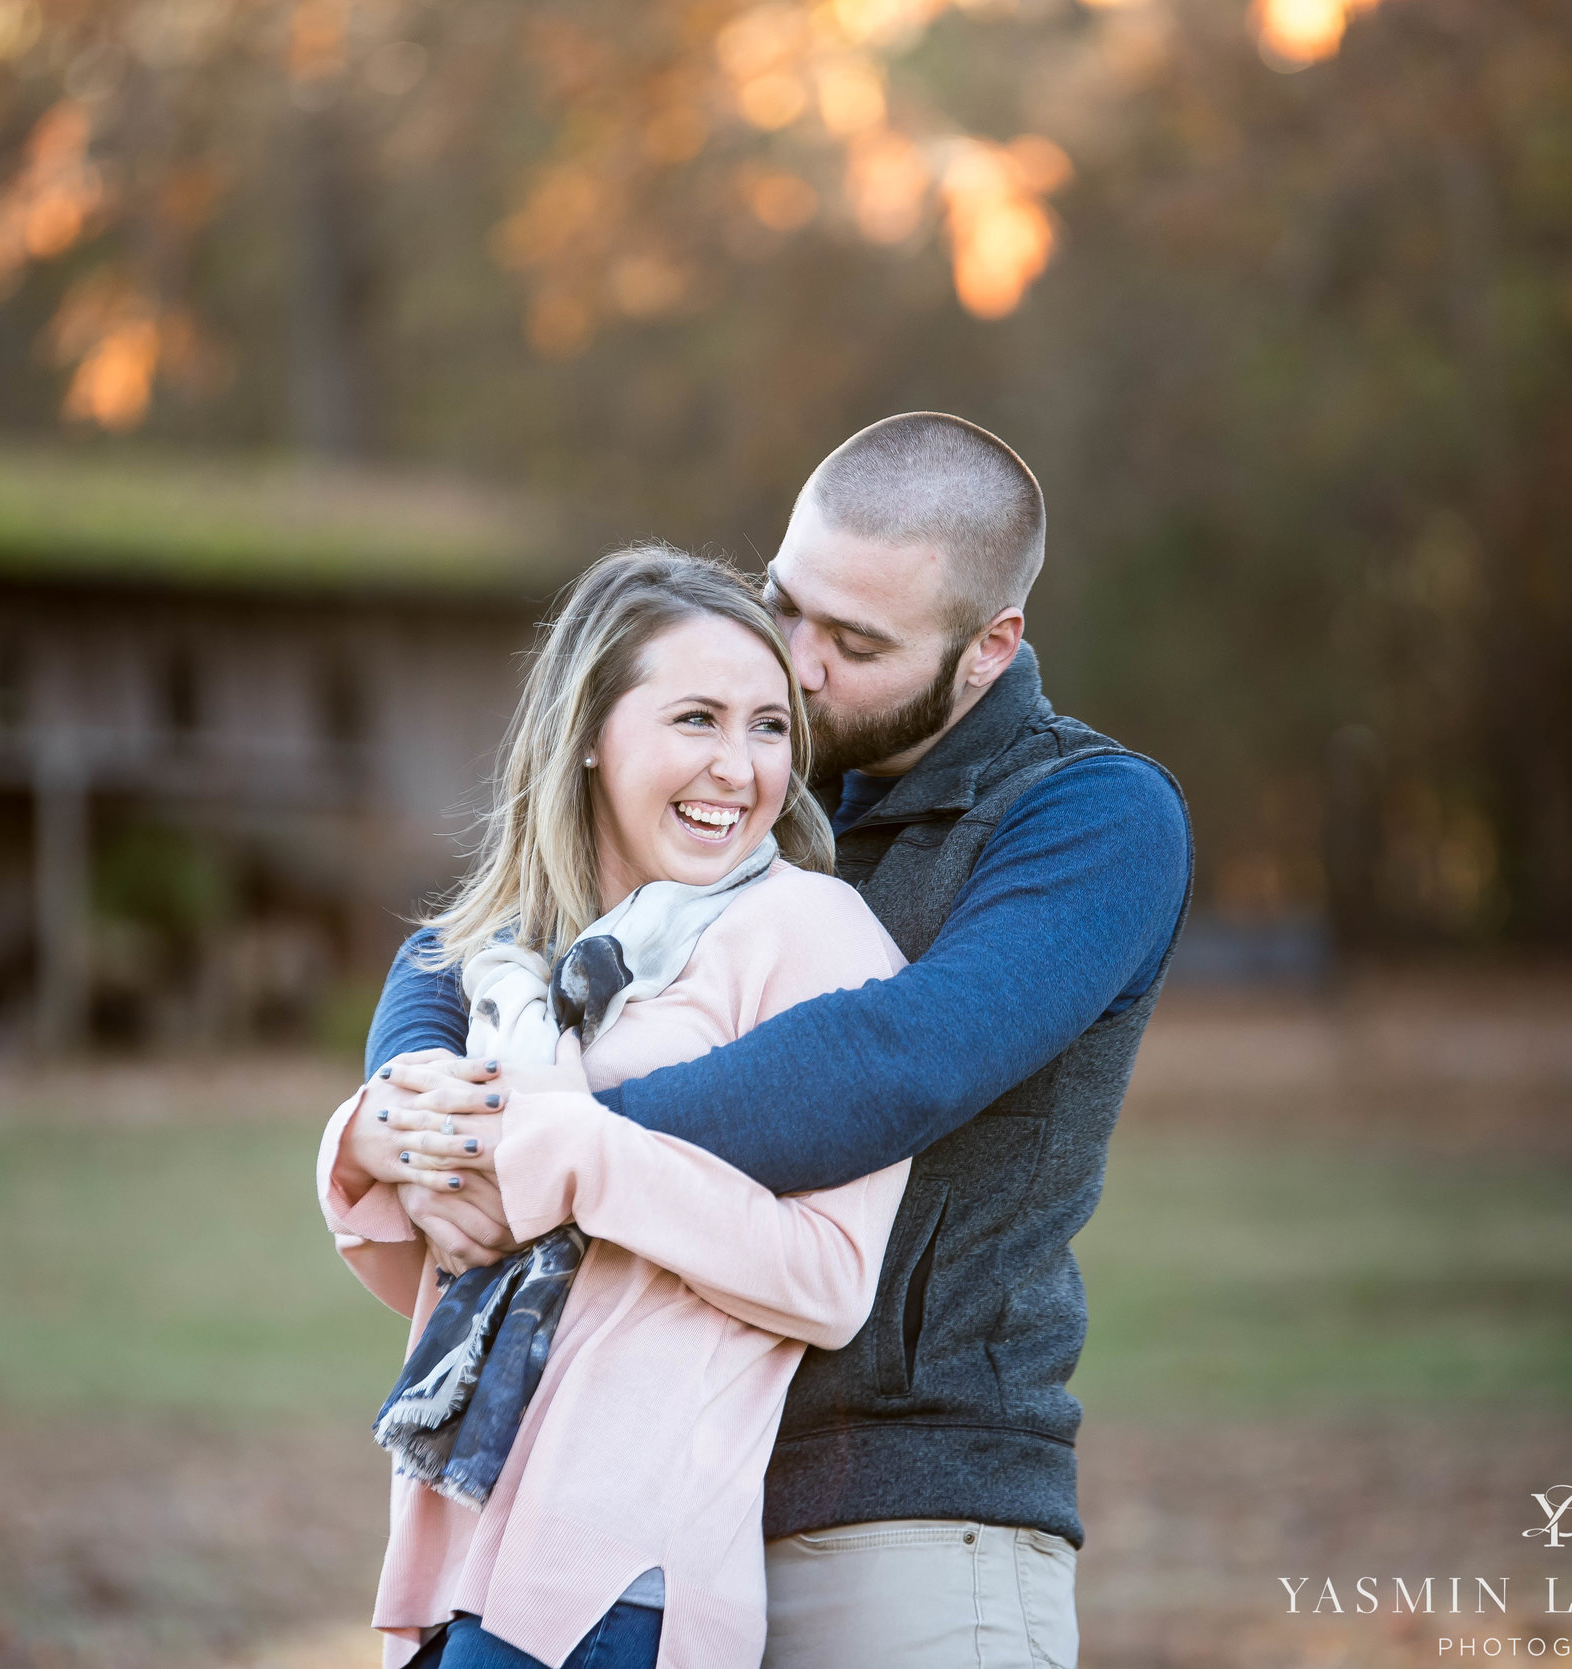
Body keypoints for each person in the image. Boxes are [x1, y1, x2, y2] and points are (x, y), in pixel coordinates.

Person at [367, 413, 1194, 1669]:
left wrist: (544, 1155)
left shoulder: (1089, 816)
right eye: (783, 605)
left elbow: (894, 1060)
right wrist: (407, 1093)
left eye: (854, 643)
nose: (795, 668)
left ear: (989, 649)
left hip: (911, 1516)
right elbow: (487, 930)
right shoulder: (754, 782)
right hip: (658, 1509)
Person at [318, 546, 913, 1669]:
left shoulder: (808, 933)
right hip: (453, 1544)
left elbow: (828, 1282)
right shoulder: (509, 965)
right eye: (695, 719)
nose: (738, 768)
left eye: (768, 726)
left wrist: (579, 1157)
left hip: (621, 1576)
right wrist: (376, 1141)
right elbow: (448, 1266)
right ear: (589, 732)